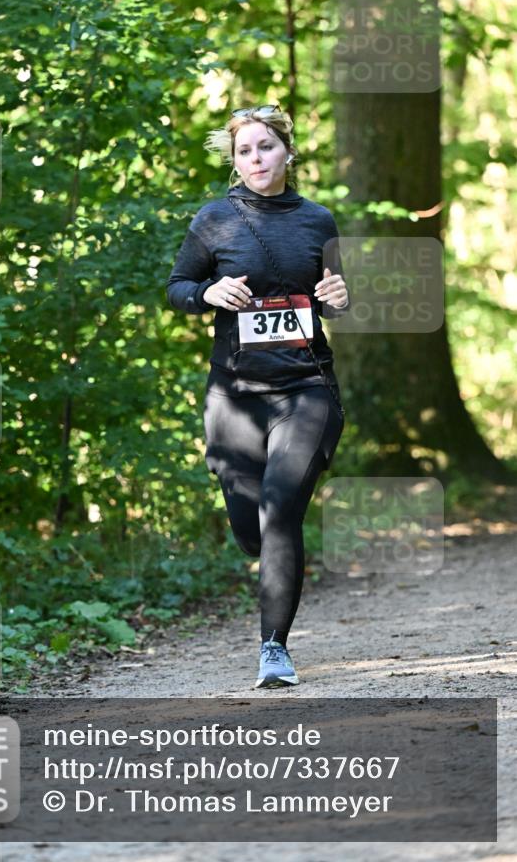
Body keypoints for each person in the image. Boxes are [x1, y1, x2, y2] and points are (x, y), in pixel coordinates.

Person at [165, 103, 350, 689]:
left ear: (286, 152)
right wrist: (209, 293)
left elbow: (335, 296)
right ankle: (263, 545)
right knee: (250, 525)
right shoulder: (214, 219)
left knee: (279, 509)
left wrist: (341, 298)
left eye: (265, 147)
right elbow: (178, 288)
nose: (255, 158)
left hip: (306, 387)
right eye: (244, 150)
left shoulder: (318, 220)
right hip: (236, 393)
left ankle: (274, 647)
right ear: (234, 160)